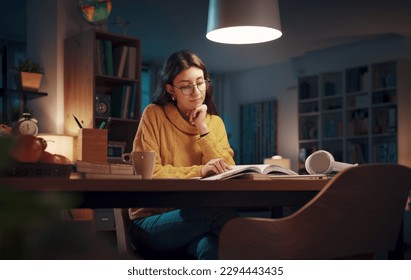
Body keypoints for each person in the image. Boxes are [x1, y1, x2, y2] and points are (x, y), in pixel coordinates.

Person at [128, 49, 237, 260]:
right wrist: (201, 170)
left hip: (197, 222)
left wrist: (202, 128)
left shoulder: (214, 123)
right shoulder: (154, 114)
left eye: (200, 82)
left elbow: (226, 172)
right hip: (151, 223)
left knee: (211, 250)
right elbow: (150, 173)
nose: (196, 92)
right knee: (221, 215)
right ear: (171, 89)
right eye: (186, 86)